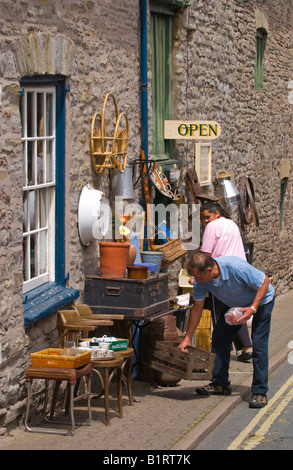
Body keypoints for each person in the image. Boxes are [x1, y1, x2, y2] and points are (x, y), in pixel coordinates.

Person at [179, 252, 275, 408]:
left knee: (258, 344)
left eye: (198, 277)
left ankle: (259, 391)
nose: (196, 281)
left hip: (262, 301)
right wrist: (187, 337)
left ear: (209, 270)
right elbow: (197, 308)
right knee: (219, 337)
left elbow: (265, 282)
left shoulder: (235, 267)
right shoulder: (202, 282)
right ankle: (220, 383)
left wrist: (252, 308)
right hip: (236, 304)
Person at [200, 201, 253, 362]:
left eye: (207, 217)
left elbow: (206, 254)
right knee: (234, 309)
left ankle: (222, 349)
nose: (206, 221)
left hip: (221, 274)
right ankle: (246, 347)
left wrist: (198, 274)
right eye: (204, 218)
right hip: (240, 272)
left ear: (217, 214)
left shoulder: (212, 226)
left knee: (219, 313)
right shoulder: (231, 224)